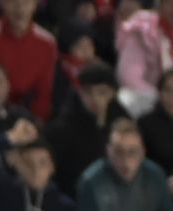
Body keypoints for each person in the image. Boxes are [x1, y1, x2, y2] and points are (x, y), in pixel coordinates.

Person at [43, 61, 124, 196]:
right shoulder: (62, 128)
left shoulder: (122, 119)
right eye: (88, 92)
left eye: (102, 92)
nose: (95, 99)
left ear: (112, 93)